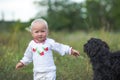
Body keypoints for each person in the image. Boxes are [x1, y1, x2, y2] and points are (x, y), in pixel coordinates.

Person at [15, 18, 80, 80]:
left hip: (50, 71)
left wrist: (70, 50)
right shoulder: (31, 44)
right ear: (32, 33)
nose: (40, 34)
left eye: (42, 31)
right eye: (36, 32)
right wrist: (22, 62)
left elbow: (59, 47)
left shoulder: (50, 42)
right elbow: (28, 56)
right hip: (37, 72)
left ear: (47, 32)